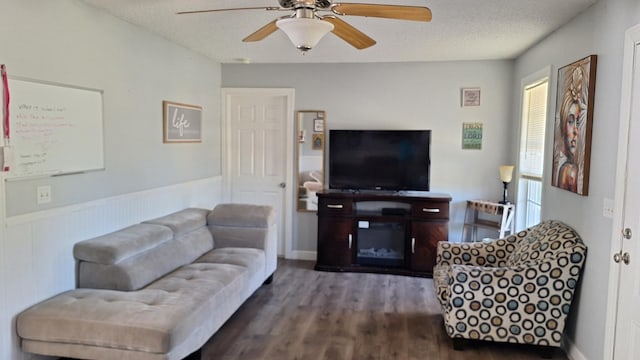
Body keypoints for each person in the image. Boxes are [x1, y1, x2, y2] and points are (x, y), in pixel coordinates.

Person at [555, 64, 586, 192]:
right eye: (571, 121)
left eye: (578, 122)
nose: (575, 130)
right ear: (563, 126)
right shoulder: (570, 172)